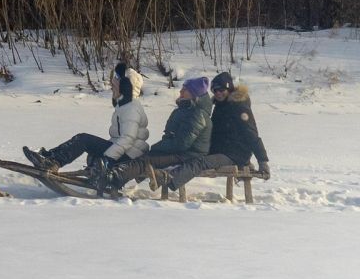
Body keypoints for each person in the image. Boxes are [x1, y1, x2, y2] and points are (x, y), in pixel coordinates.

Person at [22, 62, 150, 186]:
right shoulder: (125, 105)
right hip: (125, 153)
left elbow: (128, 139)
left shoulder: (131, 108)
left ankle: (52, 162)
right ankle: (50, 157)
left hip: (129, 157)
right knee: (85, 141)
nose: (112, 83)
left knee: (84, 140)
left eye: (117, 80)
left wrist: (108, 159)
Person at [152, 71, 271, 192]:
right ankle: (159, 170)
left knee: (200, 162)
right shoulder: (220, 106)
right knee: (190, 155)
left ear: (229, 89)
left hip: (235, 154)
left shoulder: (240, 107)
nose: (218, 93)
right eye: (215, 91)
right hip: (221, 149)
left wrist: (262, 161)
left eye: (221, 90)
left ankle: (169, 178)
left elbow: (252, 135)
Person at [105, 75, 212, 190]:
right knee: (144, 158)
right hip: (181, 152)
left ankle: (113, 179)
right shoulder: (187, 110)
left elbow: (181, 143)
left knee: (146, 161)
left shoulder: (197, 115)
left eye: (185, 90)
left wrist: (158, 147)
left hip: (189, 155)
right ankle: (114, 180)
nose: (181, 91)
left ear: (194, 94)